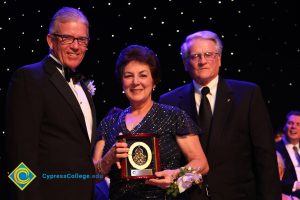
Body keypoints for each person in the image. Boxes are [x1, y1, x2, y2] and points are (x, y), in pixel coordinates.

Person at [159, 30, 281, 199]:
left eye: (209, 54)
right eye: (195, 56)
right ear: (185, 63)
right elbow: (169, 159)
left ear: (219, 59)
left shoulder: (247, 94)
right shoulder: (169, 101)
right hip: (189, 196)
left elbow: (265, 156)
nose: (202, 61)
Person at [93, 44, 209, 200]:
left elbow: (201, 163)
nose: (135, 82)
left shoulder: (173, 116)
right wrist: (108, 159)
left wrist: (177, 176)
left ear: (154, 80)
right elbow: (92, 176)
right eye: (128, 76)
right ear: (122, 82)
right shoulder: (109, 123)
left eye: (143, 75)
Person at [5, 7, 96, 200]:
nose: (76, 46)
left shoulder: (81, 86)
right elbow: (19, 155)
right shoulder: (29, 78)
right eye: (67, 38)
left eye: (82, 40)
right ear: (50, 40)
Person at [275, 111, 300, 198]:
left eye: (298, 124)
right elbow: (271, 180)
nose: (294, 127)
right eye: (290, 123)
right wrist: (295, 185)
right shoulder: (275, 149)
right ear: (284, 126)